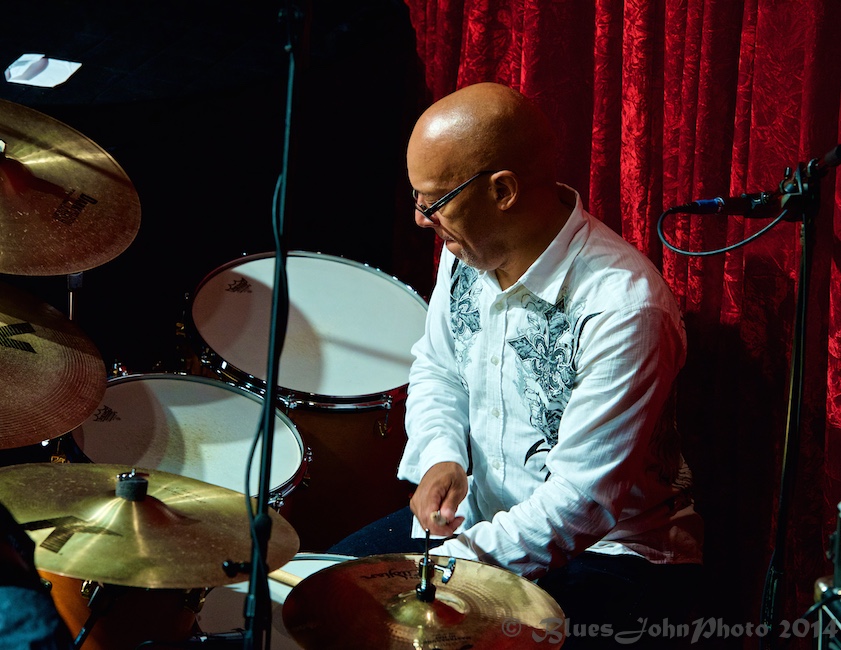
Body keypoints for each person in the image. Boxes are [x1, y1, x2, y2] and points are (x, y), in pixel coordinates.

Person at [329, 82, 704, 647]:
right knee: (311, 595)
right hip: (484, 525)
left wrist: (442, 568)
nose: (418, 221)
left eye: (432, 203)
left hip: (612, 556)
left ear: (502, 190)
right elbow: (437, 366)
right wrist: (441, 455)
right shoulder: (470, 251)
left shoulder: (623, 308)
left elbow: (582, 503)